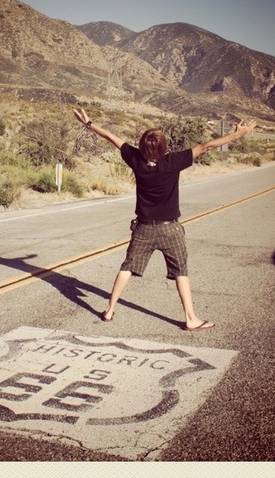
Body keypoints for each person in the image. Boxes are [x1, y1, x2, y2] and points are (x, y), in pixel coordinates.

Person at [73, 108, 257, 331]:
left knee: (127, 267)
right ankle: (191, 318)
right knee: (181, 271)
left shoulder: (135, 159)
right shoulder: (173, 161)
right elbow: (207, 146)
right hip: (170, 230)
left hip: (143, 228)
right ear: (163, 147)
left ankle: (110, 310)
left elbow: (112, 138)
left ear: (142, 146)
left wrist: (89, 123)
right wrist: (236, 135)